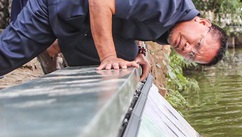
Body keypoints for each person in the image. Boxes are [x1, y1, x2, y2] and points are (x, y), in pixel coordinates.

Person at [0, 0, 228, 81]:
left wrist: (139, 50)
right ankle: (50, 43)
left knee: (128, 57)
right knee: (6, 56)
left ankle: (56, 45)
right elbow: (100, 2)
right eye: (197, 44)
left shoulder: (171, 26)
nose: (187, 48)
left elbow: (133, 14)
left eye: (191, 55)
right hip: (57, 6)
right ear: (203, 23)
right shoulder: (169, 5)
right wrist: (108, 56)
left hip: (76, 20)